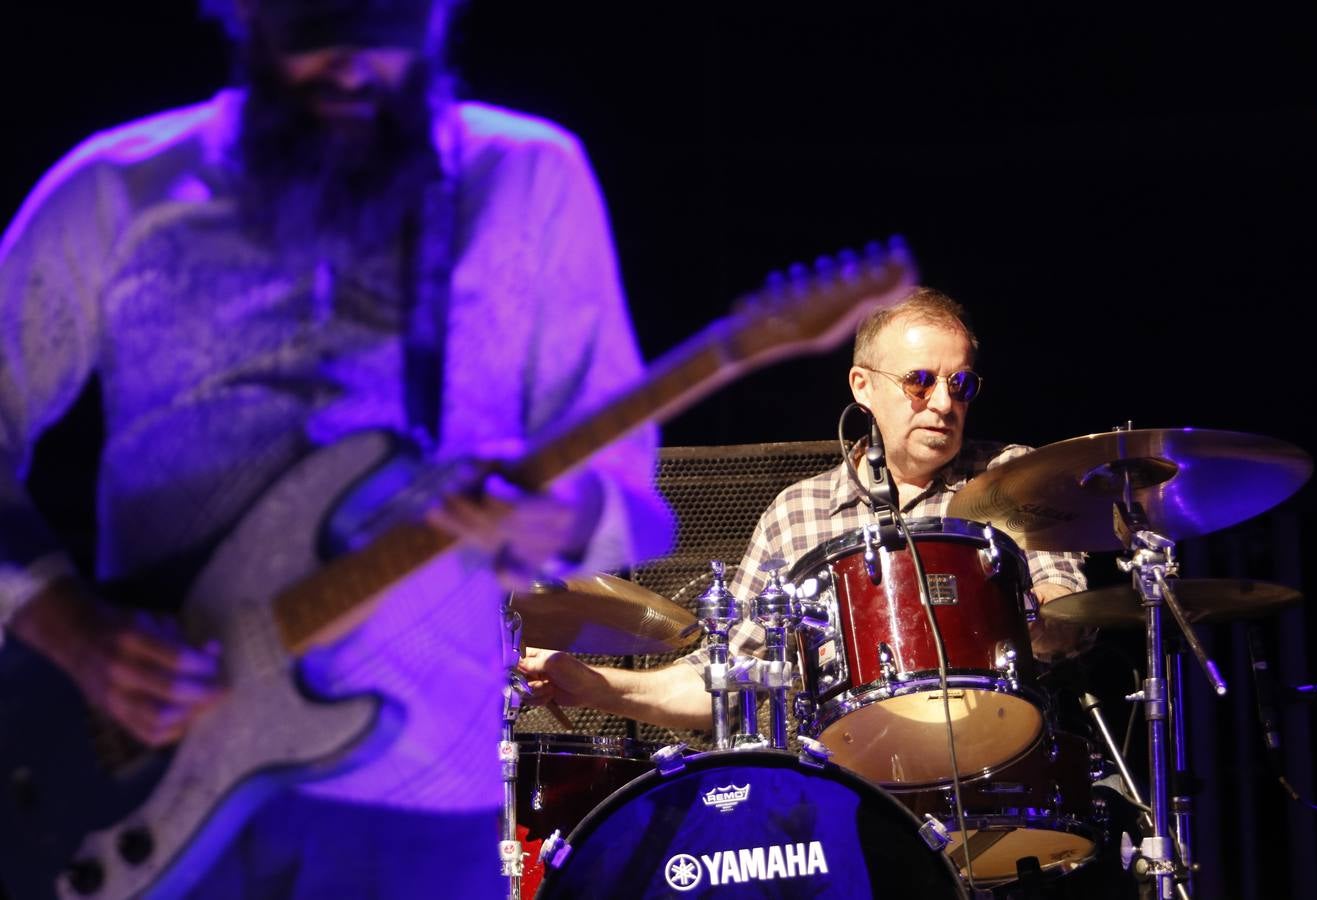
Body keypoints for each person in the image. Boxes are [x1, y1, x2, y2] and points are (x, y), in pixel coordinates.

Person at [0, 0, 671, 896]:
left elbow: (626, 493)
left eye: (384, 31)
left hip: (422, 794)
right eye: (312, 31)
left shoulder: (523, 180)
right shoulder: (120, 189)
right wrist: (71, 630)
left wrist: (559, 515)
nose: (351, 67)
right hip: (144, 789)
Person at [520, 287, 1090, 731]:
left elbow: (1070, 618)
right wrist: (596, 684)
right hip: (854, 779)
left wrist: (1031, 615)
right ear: (862, 385)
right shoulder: (797, 514)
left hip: (1000, 757)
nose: (943, 403)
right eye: (919, 382)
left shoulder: (1016, 479)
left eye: (960, 384)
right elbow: (727, 678)